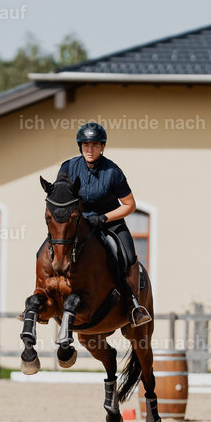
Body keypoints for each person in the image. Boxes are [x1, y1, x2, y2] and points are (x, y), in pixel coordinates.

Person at [56, 121, 151, 327]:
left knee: (129, 256)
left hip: (109, 222)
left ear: (102, 147)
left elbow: (130, 205)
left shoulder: (113, 171)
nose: (90, 150)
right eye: (86, 145)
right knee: (52, 248)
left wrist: (103, 218)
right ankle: (43, 297)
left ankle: (134, 305)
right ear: (80, 147)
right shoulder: (68, 167)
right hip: (78, 224)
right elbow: (61, 197)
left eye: (95, 145)